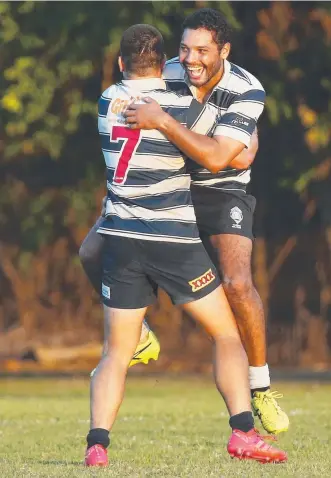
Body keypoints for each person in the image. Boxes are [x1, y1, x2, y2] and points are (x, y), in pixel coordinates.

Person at [84, 24, 287, 467]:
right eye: (183, 51)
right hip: (171, 236)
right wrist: (169, 120)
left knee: (114, 351)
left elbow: (226, 160)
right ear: (166, 64)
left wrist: (160, 120)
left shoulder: (105, 100)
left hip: (123, 233)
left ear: (120, 64)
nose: (190, 59)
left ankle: (97, 446)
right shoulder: (179, 103)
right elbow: (228, 152)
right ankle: (243, 433)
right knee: (225, 334)